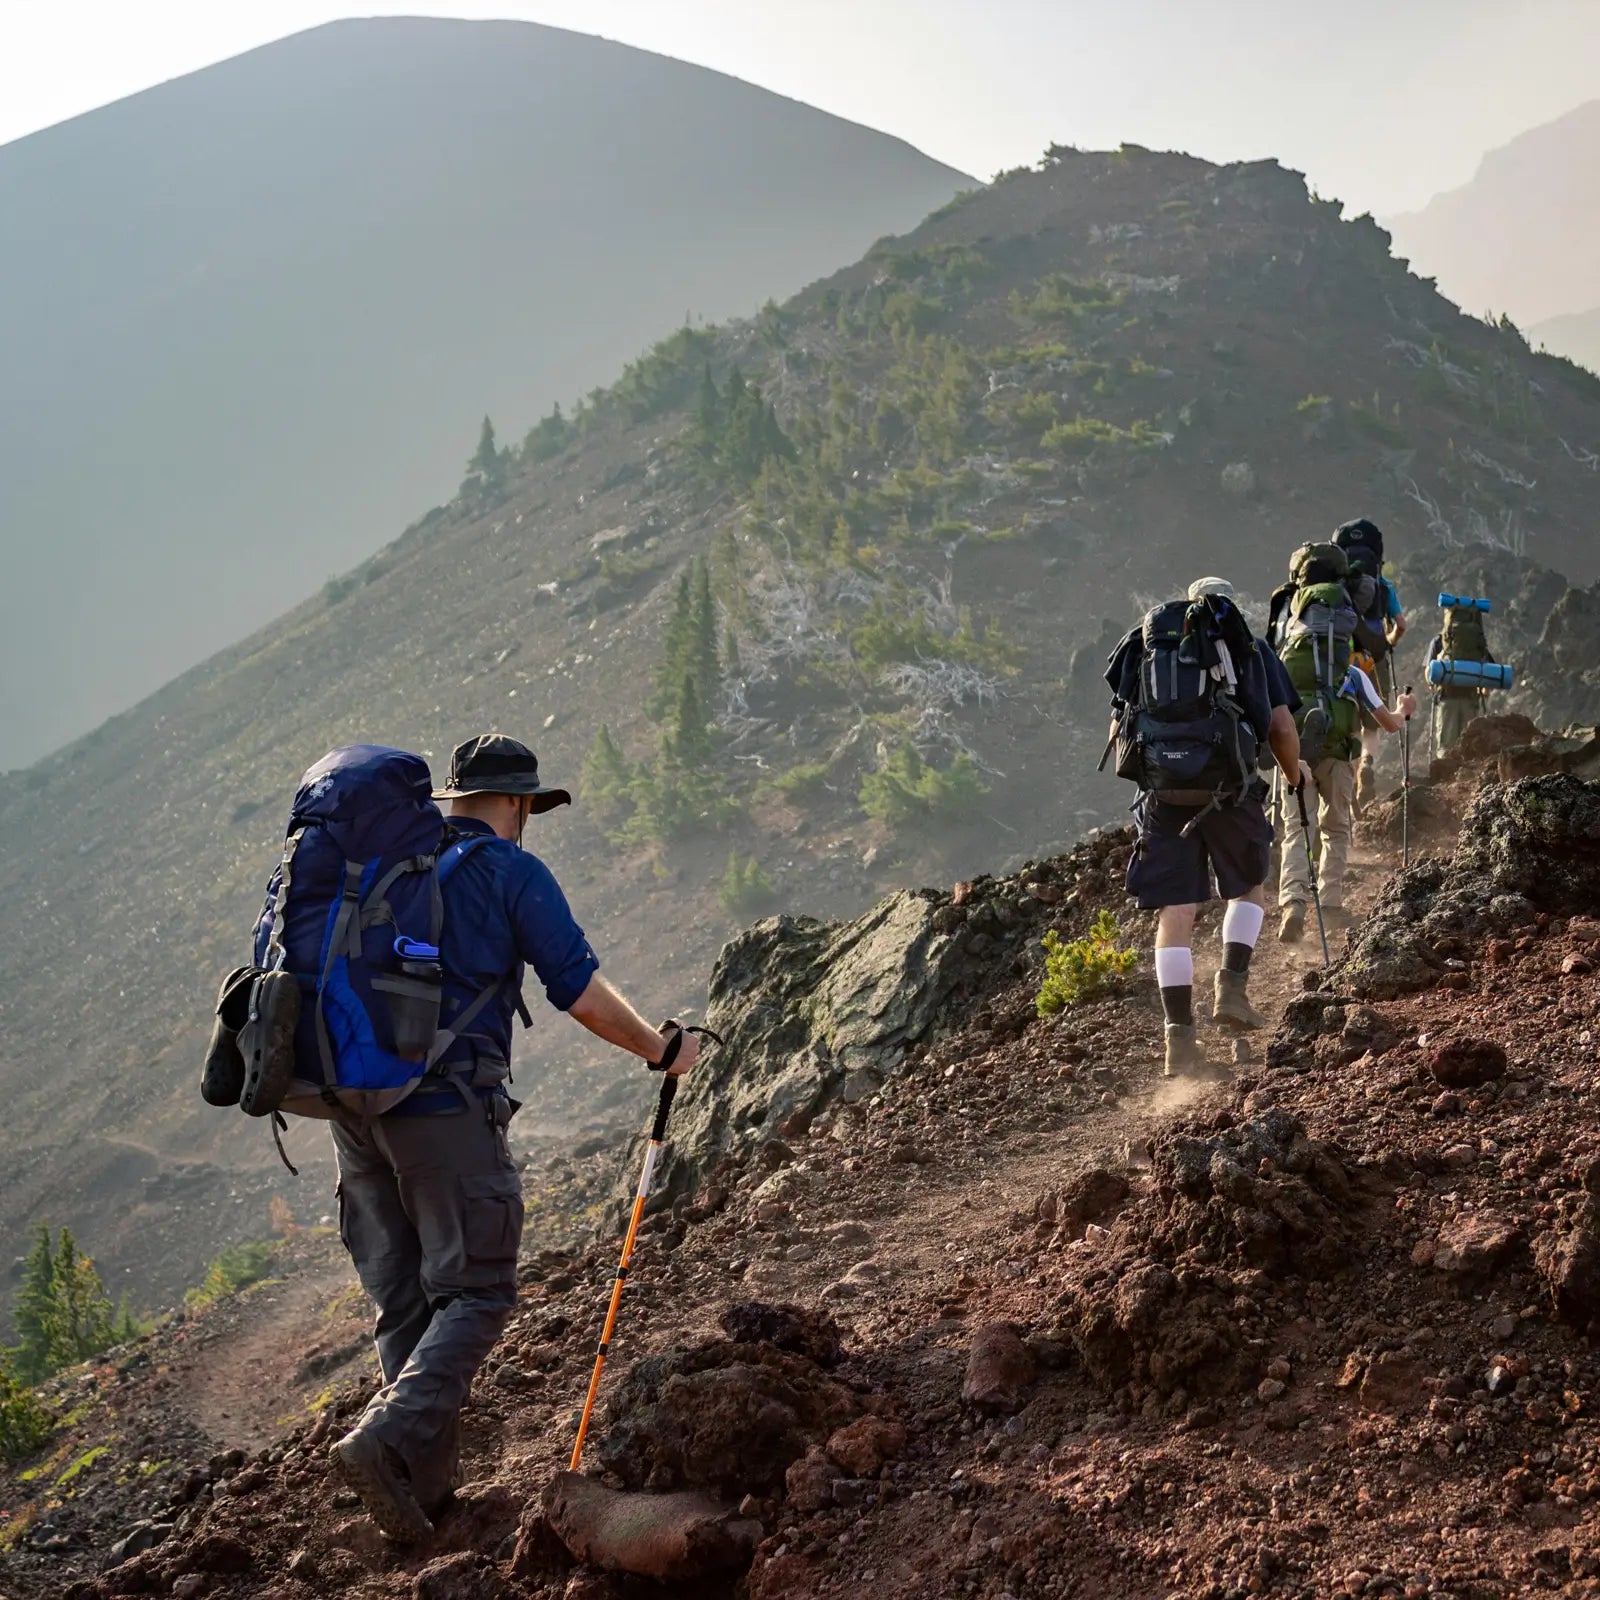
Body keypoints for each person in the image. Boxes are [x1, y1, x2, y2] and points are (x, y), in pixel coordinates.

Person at [327, 733, 700, 1542]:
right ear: (522, 803)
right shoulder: (508, 871)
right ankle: (384, 1442)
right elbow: (580, 991)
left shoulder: (383, 869)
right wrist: (663, 1049)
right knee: (479, 1293)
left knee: (407, 1304)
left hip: (353, 1114)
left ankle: (420, 1504)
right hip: (446, 1111)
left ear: (452, 797)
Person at [1106, 577, 1309, 1077]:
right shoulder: (1248, 647)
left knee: (1175, 912)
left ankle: (1179, 1043)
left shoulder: (1145, 649)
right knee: (1247, 890)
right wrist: (1291, 773)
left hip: (1163, 797)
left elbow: (1120, 729)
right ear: (1228, 606)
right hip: (1228, 792)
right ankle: (1231, 990)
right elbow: (1281, 728)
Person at [1278, 660, 1417, 942]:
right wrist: (1404, 710)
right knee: (1336, 829)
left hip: (1295, 757)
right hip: (1338, 760)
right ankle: (1329, 906)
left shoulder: (1287, 663)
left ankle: (1293, 903)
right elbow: (1388, 724)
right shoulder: (1352, 673)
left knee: (1296, 828)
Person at [1333, 518, 1409, 810]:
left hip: (1342, 657)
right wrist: (1387, 642)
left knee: (1348, 724)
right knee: (1372, 725)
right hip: (1374, 658)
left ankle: (1350, 779)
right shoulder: (1383, 585)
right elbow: (1401, 625)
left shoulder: (1337, 585)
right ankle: (1368, 762)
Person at [1428, 602, 1496, 754]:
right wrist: (1484, 690)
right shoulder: (1477, 643)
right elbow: (1489, 672)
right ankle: (1466, 776)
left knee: (1446, 747)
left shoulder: (1440, 641)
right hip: (1470, 699)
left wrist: (1433, 684)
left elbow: (1429, 673)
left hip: (1447, 699)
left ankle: (1445, 774)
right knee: (1469, 748)